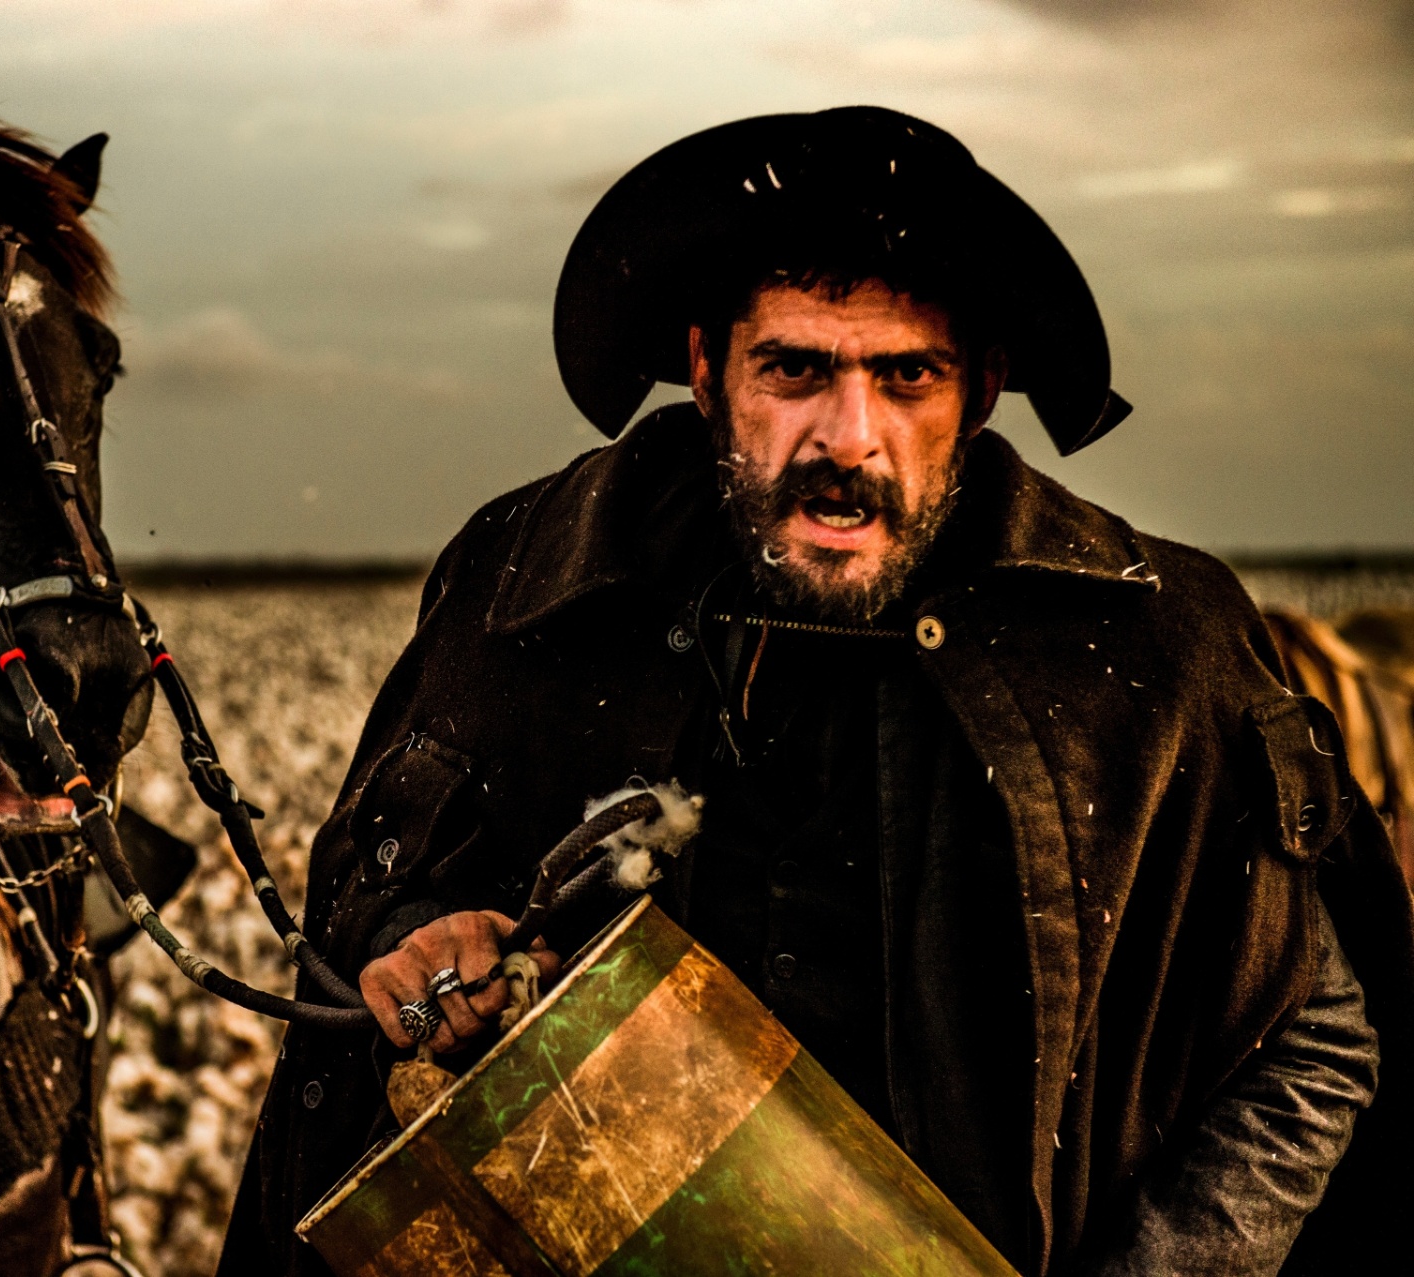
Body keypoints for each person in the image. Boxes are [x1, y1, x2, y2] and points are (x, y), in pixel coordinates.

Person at [217, 108, 1413, 1276]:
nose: (849, 436)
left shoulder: (1152, 650)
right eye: (794, 368)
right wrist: (415, 939)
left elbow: (1312, 1033)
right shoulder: (531, 585)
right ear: (703, 368)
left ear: (981, 391)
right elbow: (378, 897)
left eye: (907, 377)